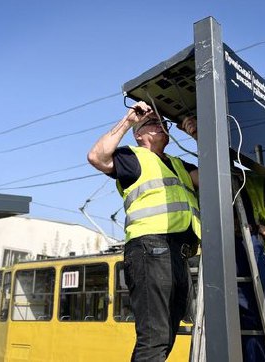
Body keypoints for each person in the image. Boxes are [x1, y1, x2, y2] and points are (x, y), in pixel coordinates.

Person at [178, 115, 265, 362]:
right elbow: (208, 164)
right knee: (220, 320)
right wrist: (197, 135)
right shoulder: (203, 177)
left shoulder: (255, 179)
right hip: (218, 248)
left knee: (254, 318)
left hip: (249, 249)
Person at [87, 100, 201, 362]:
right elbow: (97, 157)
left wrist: (196, 135)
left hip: (179, 256)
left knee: (167, 335)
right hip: (151, 250)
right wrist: (128, 120)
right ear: (139, 134)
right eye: (153, 123)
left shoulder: (179, 165)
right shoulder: (132, 157)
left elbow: (217, 176)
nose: (161, 125)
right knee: (155, 338)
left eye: (164, 123)